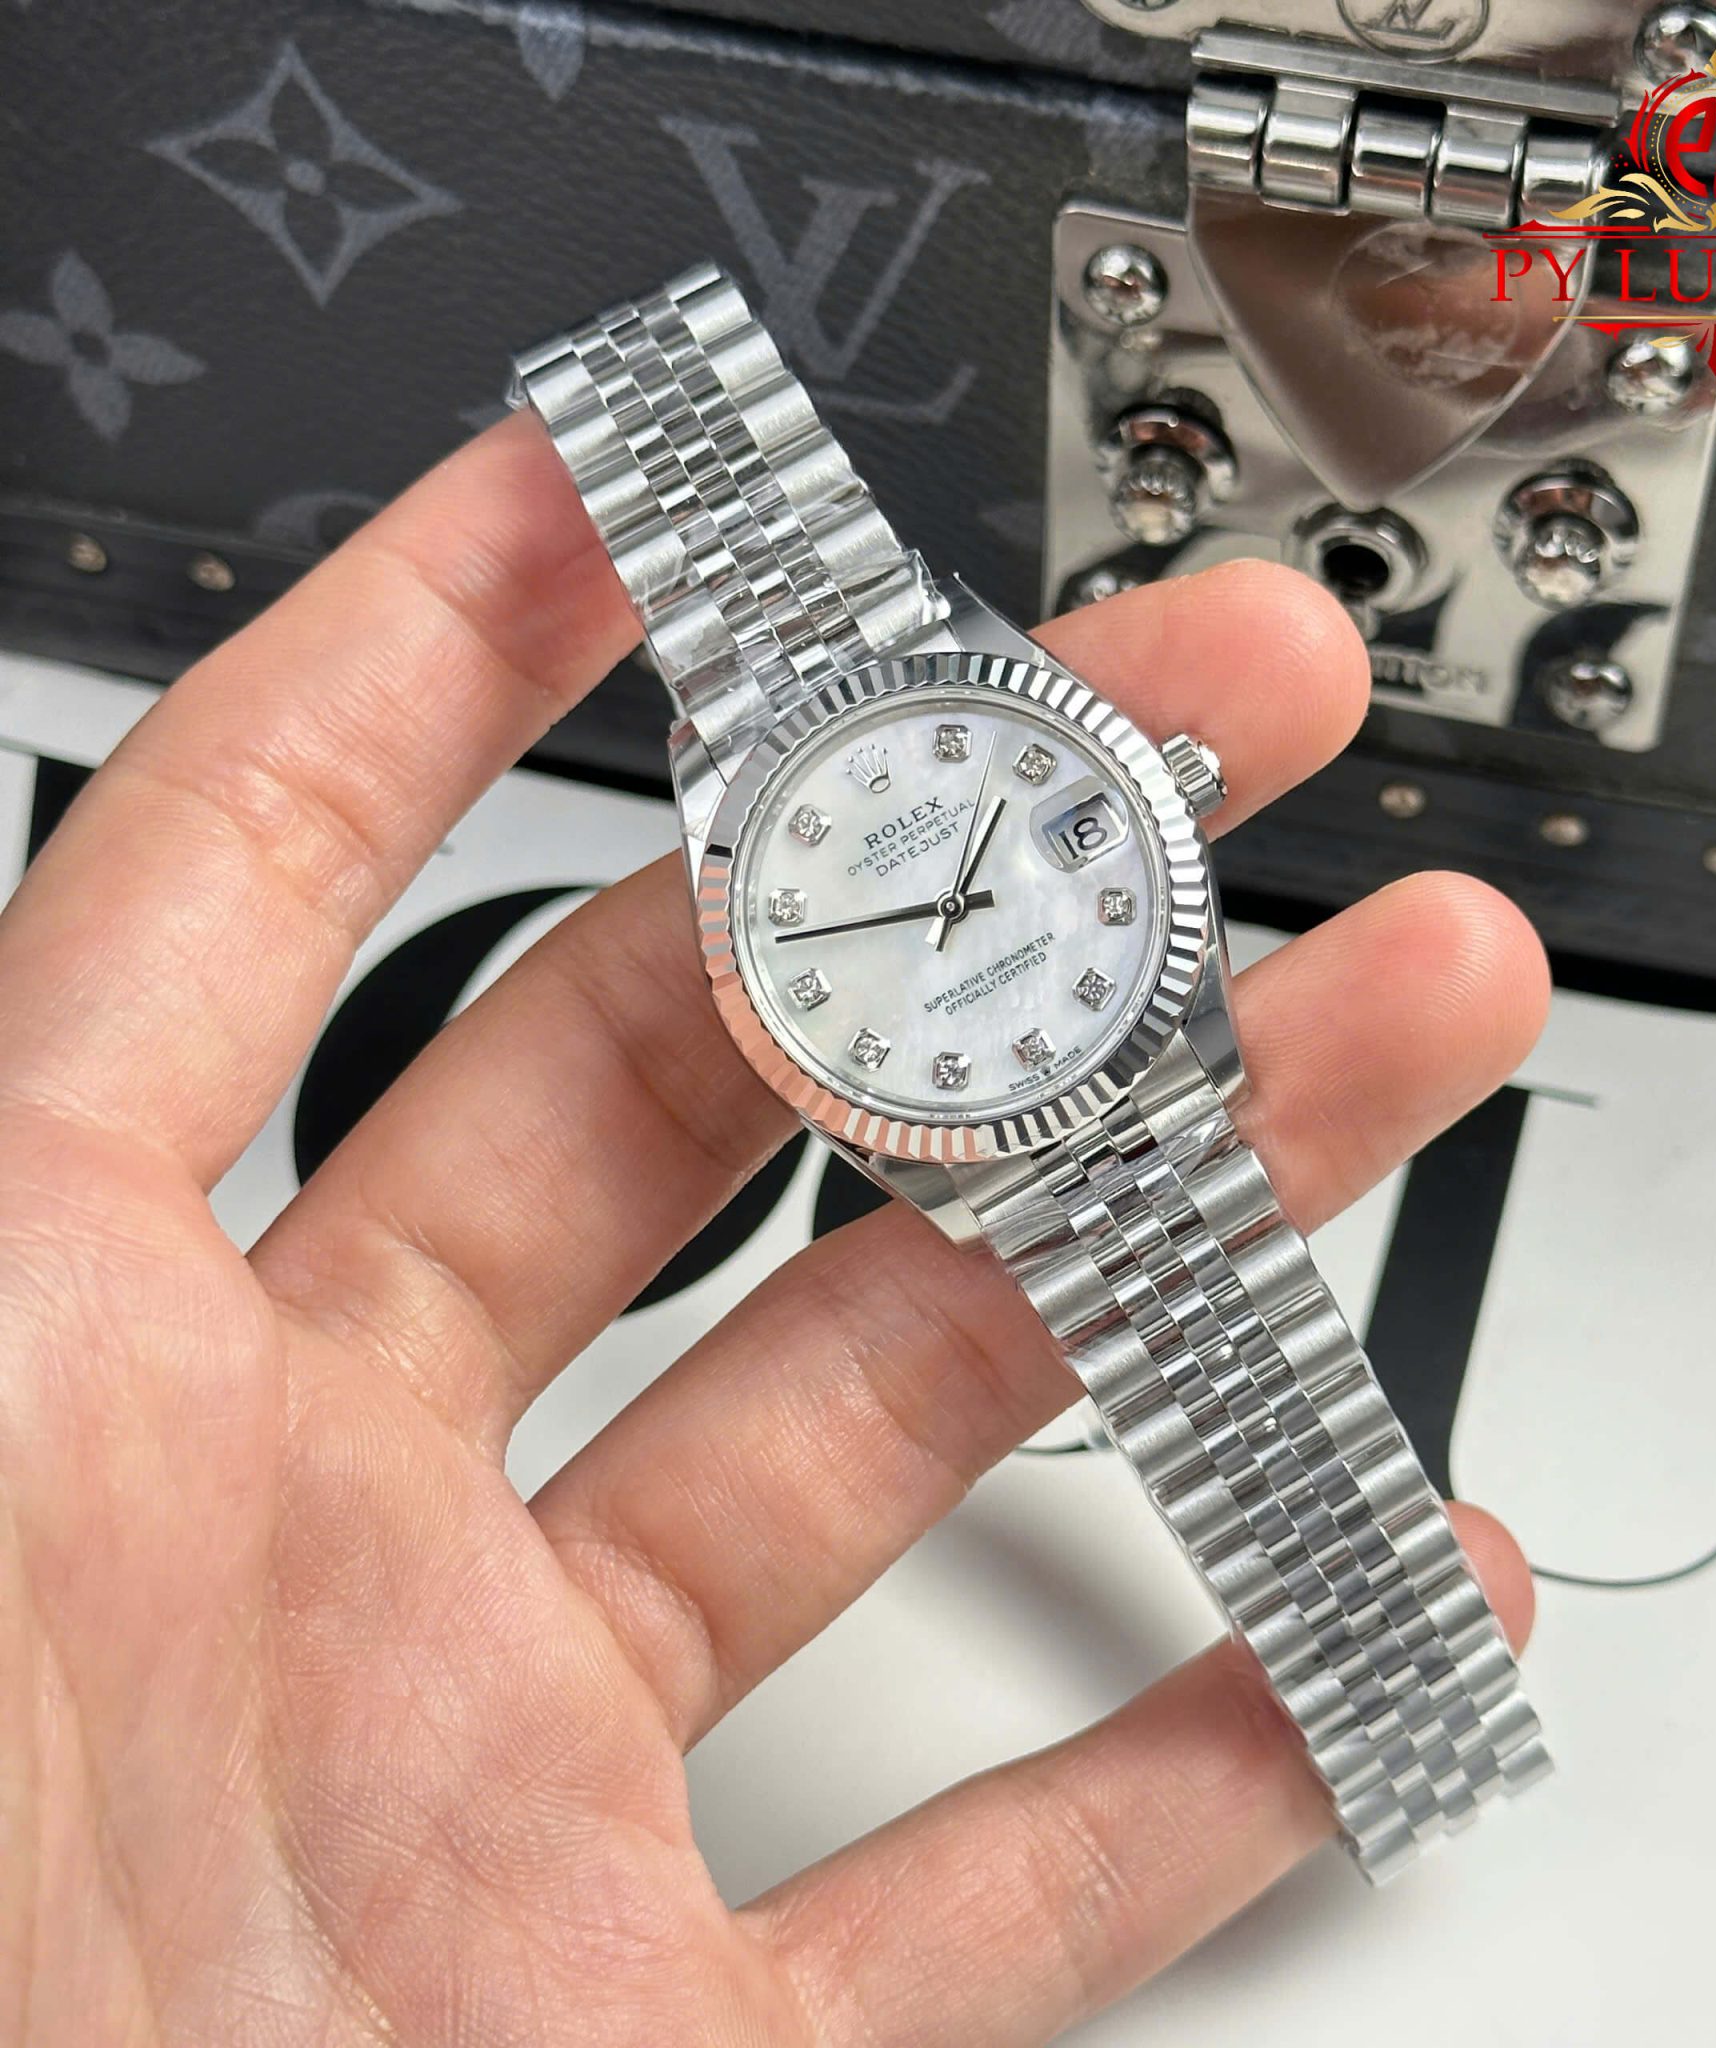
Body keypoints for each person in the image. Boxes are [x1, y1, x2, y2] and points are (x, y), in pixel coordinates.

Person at [0, 413, 1549, 2043]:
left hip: (1102, 1054)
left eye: (963, 886)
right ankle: (1407, 1704)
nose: (957, 910)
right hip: (1017, 1074)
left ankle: (1403, 1694)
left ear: (1158, 789)